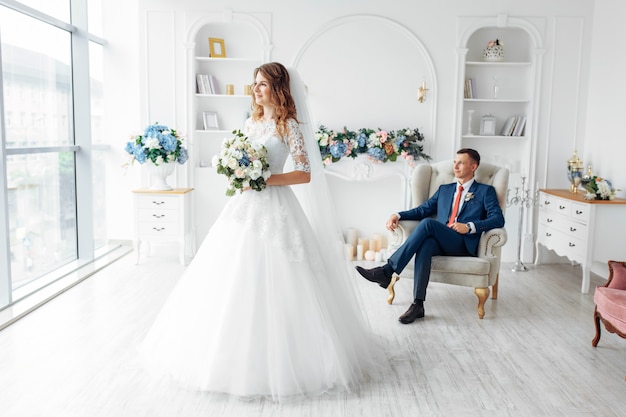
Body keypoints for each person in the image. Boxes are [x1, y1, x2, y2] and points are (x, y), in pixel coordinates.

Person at [139, 62, 381, 401]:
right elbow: (239, 160)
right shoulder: (250, 123)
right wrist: (237, 172)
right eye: (254, 83)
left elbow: (304, 174)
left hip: (277, 205)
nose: (256, 89)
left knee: (285, 276)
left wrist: (264, 179)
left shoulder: (290, 127)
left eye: (263, 84)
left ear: (278, 88)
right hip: (244, 206)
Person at [355, 148, 504, 324]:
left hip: (463, 244)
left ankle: (387, 270)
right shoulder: (445, 189)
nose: (455, 166)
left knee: (427, 223)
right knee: (425, 245)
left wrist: (470, 227)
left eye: (461, 162)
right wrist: (398, 215)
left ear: (473, 166)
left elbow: (498, 218)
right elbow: (423, 210)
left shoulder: (485, 191)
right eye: (454, 162)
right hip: (442, 241)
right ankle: (418, 304)